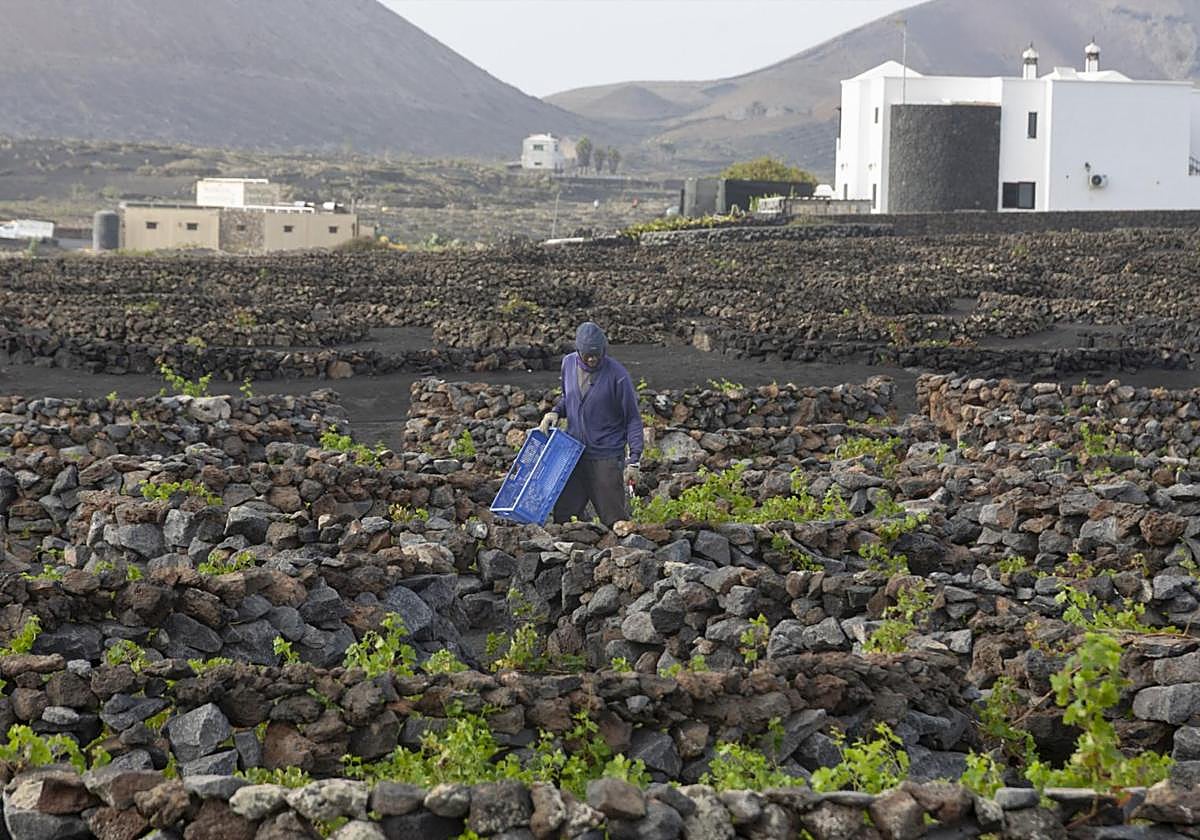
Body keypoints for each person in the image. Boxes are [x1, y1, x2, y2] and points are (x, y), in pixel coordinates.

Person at [540, 322, 643, 527]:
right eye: (587, 354)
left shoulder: (618, 376)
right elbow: (569, 398)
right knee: (564, 516)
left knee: (615, 520)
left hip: (606, 456)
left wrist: (634, 460)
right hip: (573, 453)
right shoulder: (568, 364)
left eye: (596, 354)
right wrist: (555, 412)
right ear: (578, 350)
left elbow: (632, 418)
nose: (592, 359)